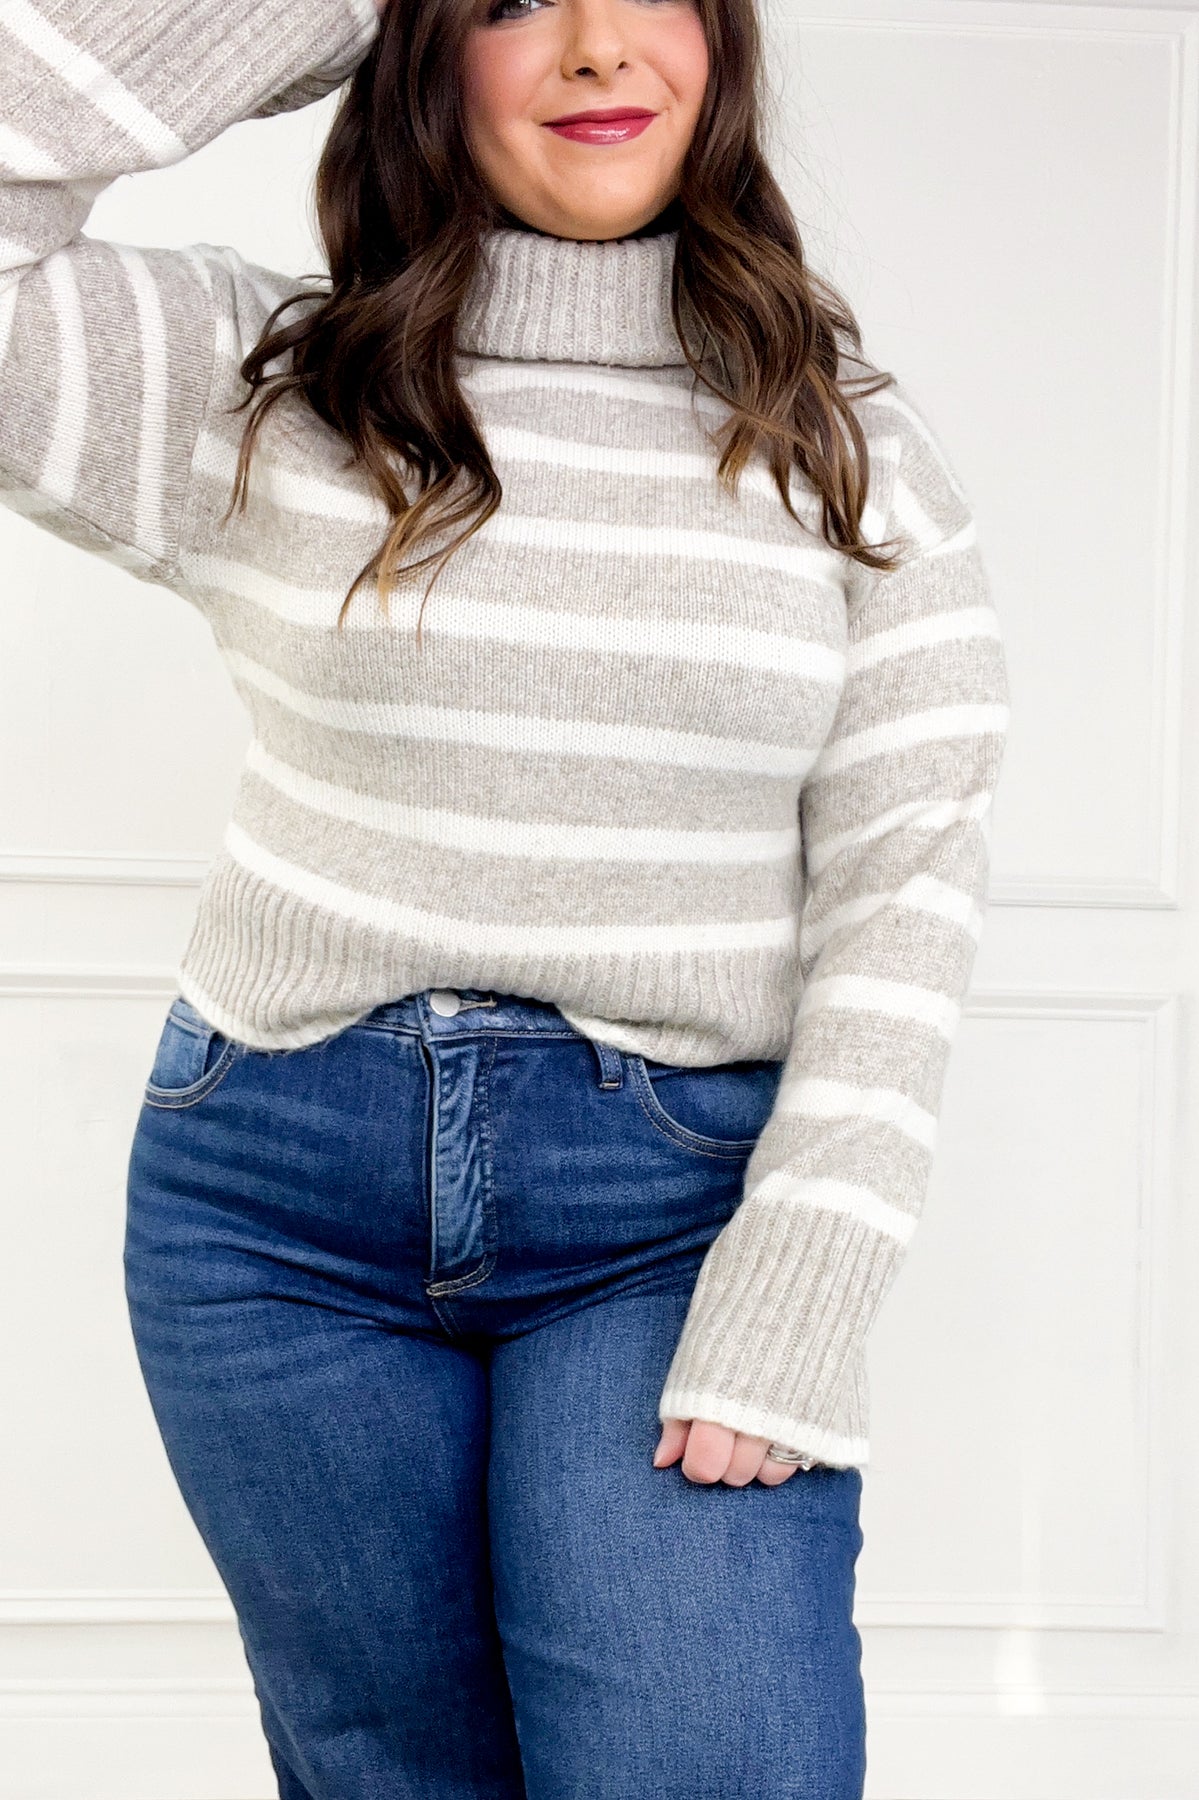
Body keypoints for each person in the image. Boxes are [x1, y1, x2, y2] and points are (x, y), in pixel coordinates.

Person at [0, 0, 1010, 1792]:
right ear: (416, 49)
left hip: (669, 1219)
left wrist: (803, 1281)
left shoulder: (845, 447)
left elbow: (903, 885)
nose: (602, 47)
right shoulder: (260, 390)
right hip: (274, 1210)